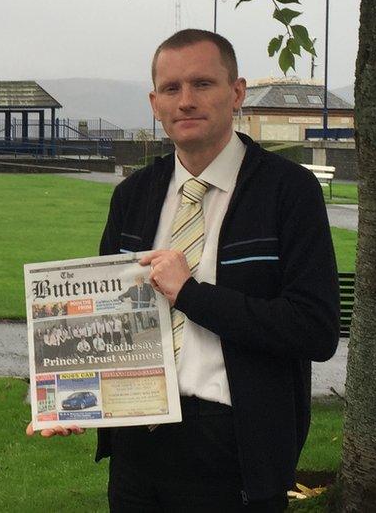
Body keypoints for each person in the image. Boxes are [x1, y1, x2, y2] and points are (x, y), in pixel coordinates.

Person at [27, 29, 339, 512]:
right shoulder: (134, 195)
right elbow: (104, 319)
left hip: (236, 448)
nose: (186, 101)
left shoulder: (289, 192)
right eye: (171, 89)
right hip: (137, 446)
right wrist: (64, 393)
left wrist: (191, 294)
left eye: (202, 84)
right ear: (155, 103)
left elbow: (315, 330)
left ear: (236, 93)